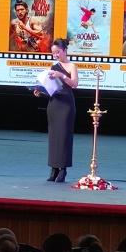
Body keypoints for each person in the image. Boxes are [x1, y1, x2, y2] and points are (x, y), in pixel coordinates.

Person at [33, 38, 77, 182]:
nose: (56, 55)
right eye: (53, 53)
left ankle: (63, 170)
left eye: (58, 52)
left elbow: (75, 84)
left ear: (65, 50)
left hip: (66, 105)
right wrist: (41, 92)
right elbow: (51, 89)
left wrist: (62, 76)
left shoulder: (71, 66)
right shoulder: (53, 67)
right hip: (54, 105)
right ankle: (54, 169)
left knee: (64, 137)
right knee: (54, 138)